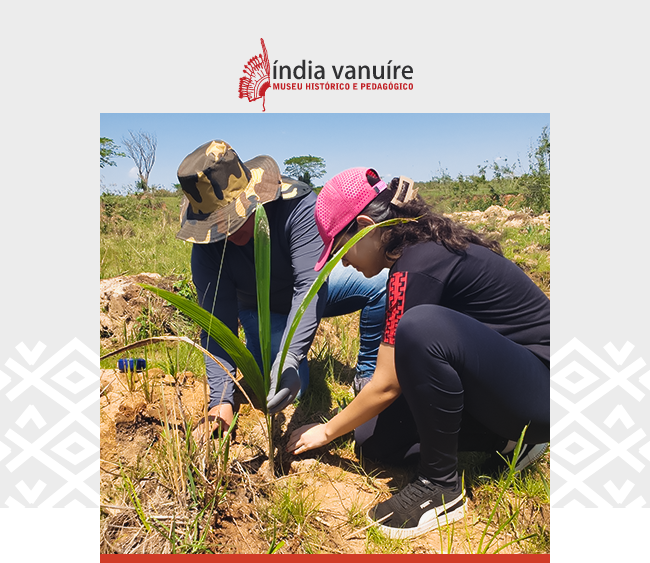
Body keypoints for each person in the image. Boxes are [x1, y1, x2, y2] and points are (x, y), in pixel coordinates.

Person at [287, 167, 550, 539]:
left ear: (366, 226)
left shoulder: (420, 264)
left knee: (421, 327)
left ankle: (440, 487)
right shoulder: (416, 254)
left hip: (544, 386)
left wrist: (325, 432)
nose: (343, 262)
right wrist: (346, 428)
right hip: (506, 384)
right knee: (373, 439)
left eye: (342, 248)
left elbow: (386, 384)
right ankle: (507, 441)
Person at [174, 141, 387, 440]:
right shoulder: (208, 249)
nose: (230, 234)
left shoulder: (295, 206)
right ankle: (269, 349)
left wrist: (290, 356)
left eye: (235, 221)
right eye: (221, 227)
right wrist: (220, 399)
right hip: (262, 308)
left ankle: (366, 373)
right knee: (282, 393)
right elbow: (216, 323)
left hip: (309, 292)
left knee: (381, 283)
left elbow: (309, 288)